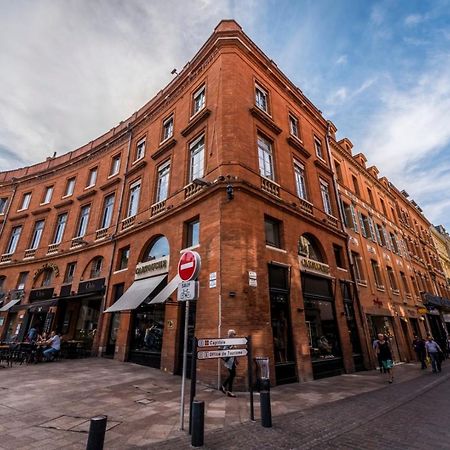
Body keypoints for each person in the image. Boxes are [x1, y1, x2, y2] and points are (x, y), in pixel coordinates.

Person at [220, 329, 238, 397]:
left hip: (232, 361)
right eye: (234, 334)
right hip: (229, 361)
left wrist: (236, 360)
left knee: (232, 375)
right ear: (230, 334)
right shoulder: (228, 341)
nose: (235, 335)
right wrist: (231, 347)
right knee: (233, 374)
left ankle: (225, 388)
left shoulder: (232, 341)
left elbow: (235, 352)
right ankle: (225, 387)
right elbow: (225, 350)